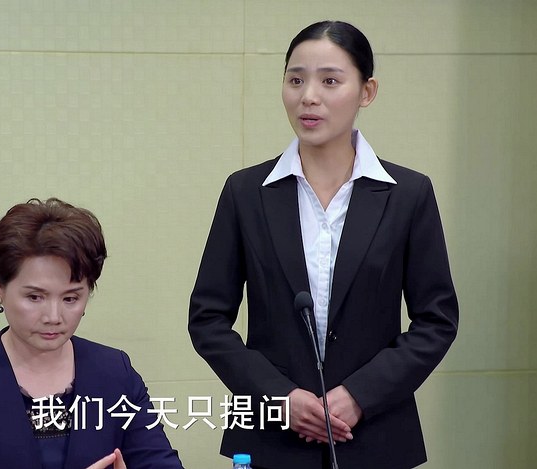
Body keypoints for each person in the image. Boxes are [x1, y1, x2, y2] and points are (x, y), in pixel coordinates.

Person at [188, 20, 459, 469]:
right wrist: (279, 398)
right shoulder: (246, 192)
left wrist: (359, 395)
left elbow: (437, 320)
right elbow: (208, 319)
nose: (308, 97)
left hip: (376, 436)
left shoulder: (408, 194)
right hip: (272, 440)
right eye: (296, 80)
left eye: (330, 81)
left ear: (367, 91)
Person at [0, 198, 184, 469]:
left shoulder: (115, 372)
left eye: (70, 298)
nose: (53, 317)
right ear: (0, 288)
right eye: (35, 297)